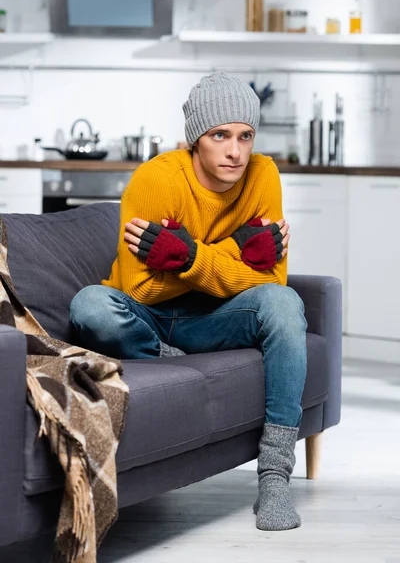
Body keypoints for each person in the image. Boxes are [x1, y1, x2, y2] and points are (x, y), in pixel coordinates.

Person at [70, 71, 307, 532]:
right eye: (220, 135)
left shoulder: (264, 175)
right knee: (90, 306)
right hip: (147, 321)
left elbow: (271, 280)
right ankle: (165, 356)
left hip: (215, 320)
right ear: (196, 138)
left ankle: (275, 476)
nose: (235, 151)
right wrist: (237, 250)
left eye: (245, 136)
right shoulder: (157, 179)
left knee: (284, 303)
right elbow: (140, 291)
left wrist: (188, 255)